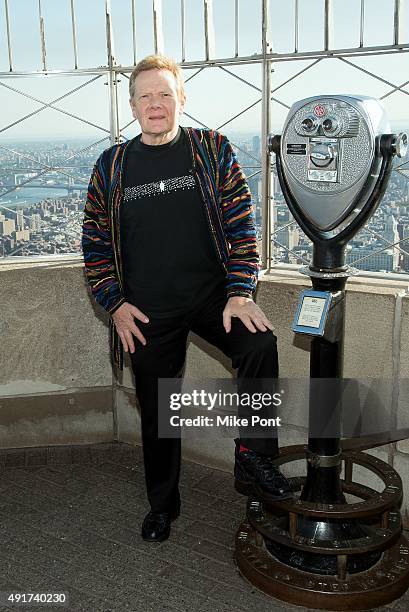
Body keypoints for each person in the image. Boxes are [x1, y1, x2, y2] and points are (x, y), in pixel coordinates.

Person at [81, 54, 292, 543]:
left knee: (259, 344)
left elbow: (242, 225)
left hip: (213, 298)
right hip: (146, 310)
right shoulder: (112, 165)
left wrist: (240, 292)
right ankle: (163, 505)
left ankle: (254, 458)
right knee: (159, 411)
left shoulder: (212, 150)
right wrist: (113, 303)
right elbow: (94, 241)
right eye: (146, 96)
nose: (156, 104)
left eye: (165, 94)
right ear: (132, 106)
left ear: (182, 100)